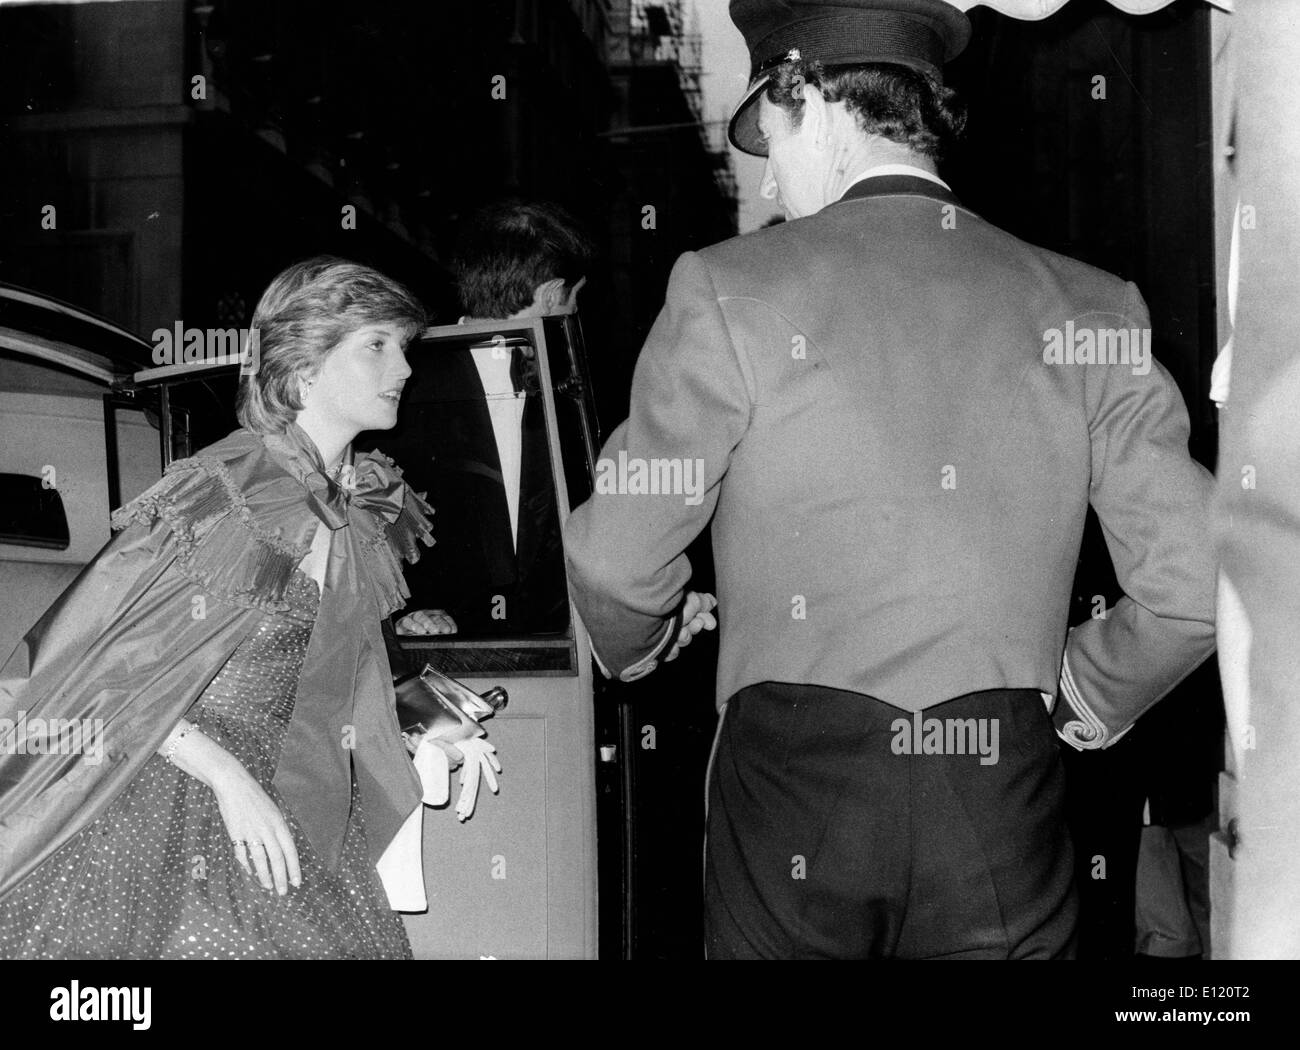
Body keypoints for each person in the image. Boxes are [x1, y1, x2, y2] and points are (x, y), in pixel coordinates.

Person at [562, 0, 1217, 959]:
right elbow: (1200, 582)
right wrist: (1086, 689)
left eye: (770, 136)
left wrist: (644, 642)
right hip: (1003, 786)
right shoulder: (1092, 305)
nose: (771, 176)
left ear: (810, 100)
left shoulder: (727, 289)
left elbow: (615, 557)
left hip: (794, 787)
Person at [0, 256, 457, 959]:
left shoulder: (361, 503)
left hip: (299, 794)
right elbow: (98, 669)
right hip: (175, 791)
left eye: (403, 347)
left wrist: (432, 722)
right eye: (377, 345)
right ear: (305, 365)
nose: (403, 368)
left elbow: (333, 680)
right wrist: (225, 775)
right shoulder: (228, 490)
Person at [374, 200, 593, 640]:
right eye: (574, 299)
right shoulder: (402, 386)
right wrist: (410, 614)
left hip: (553, 652)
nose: (573, 314)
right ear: (551, 294)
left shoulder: (567, 390)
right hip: (437, 653)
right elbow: (371, 521)